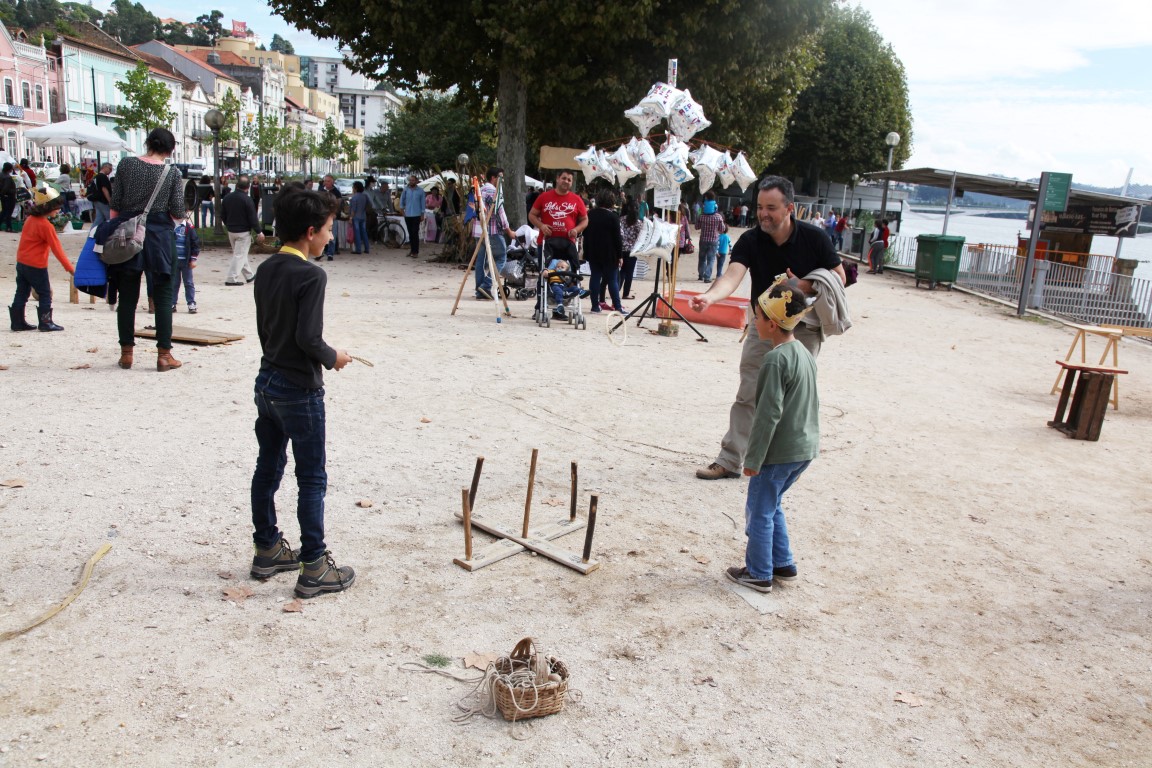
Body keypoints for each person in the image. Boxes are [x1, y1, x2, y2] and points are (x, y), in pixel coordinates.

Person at [688, 175, 844, 480]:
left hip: (803, 328)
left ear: (789, 208)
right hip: (763, 326)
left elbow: (841, 276)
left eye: (771, 208)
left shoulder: (814, 238)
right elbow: (732, 275)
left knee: (790, 398)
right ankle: (730, 459)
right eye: (760, 207)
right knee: (749, 392)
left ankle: (777, 464)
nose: (763, 214)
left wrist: (804, 285)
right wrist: (710, 297)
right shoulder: (751, 240)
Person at [249, 188, 356, 598]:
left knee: (268, 467)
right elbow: (308, 338)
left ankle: (267, 548)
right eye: (328, 229)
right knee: (311, 478)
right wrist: (334, 357)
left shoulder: (266, 268)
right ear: (311, 232)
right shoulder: (312, 275)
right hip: (298, 389)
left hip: (267, 382)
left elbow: (271, 329)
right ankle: (314, 566)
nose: (330, 236)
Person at [725, 276, 819, 593]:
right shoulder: (803, 352)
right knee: (773, 503)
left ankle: (759, 572)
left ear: (773, 324)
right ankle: (783, 563)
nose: (754, 321)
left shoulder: (775, 360)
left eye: (758, 316)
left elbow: (767, 415)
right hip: (803, 448)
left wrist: (753, 459)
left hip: (778, 452)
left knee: (759, 510)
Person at [107, 127, 187, 372]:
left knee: (127, 296)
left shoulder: (126, 165)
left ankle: (126, 354)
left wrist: (116, 230)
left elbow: (115, 204)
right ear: (170, 149)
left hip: (128, 231)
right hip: (159, 236)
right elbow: (178, 210)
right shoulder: (172, 173)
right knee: (163, 296)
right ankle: (164, 355)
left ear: (148, 143)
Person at [8, 185, 73, 332]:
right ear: (48, 207)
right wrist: (69, 268)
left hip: (22, 262)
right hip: (37, 265)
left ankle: (17, 322)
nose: (59, 210)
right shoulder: (46, 226)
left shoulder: (30, 219)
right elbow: (57, 249)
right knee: (44, 293)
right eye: (57, 207)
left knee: (21, 292)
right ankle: (45, 322)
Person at [528, 169, 588, 273]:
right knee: (544, 274)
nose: (566, 181)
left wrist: (576, 230)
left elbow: (585, 219)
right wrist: (541, 226)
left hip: (568, 244)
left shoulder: (577, 199)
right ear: (557, 179)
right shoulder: (544, 197)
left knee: (571, 274)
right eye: (564, 178)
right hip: (546, 243)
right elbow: (532, 215)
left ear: (572, 183)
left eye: (569, 180)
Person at [472, 167, 515, 301]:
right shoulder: (493, 191)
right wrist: (508, 230)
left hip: (479, 230)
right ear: (493, 178)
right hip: (492, 230)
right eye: (500, 177)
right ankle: (486, 285)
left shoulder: (480, 190)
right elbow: (500, 212)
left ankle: (480, 290)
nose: (502, 180)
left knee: (480, 261)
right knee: (501, 257)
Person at [583, 190, 625, 314]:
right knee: (612, 279)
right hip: (609, 252)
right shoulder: (613, 217)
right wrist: (620, 255)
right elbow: (617, 238)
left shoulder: (590, 214)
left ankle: (595, 306)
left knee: (595, 277)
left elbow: (585, 233)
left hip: (593, 251)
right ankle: (618, 306)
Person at [221, 175, 265, 285]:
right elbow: (252, 218)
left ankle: (249, 275)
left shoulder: (227, 198)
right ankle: (231, 278)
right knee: (239, 255)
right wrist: (259, 232)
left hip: (231, 231)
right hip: (243, 232)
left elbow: (223, 215)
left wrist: (228, 225)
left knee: (240, 254)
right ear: (248, 187)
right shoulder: (247, 200)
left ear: (236, 185)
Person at [695, 193, 728, 283]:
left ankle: (701, 275)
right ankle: (707, 277)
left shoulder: (702, 216)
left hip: (703, 240)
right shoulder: (718, 217)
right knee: (711, 259)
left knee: (702, 258)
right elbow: (722, 229)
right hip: (713, 240)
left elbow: (696, 227)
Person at [172, 217, 200, 314]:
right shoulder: (171, 226)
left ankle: (191, 302)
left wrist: (193, 259)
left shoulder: (189, 227)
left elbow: (195, 243)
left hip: (186, 260)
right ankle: (172, 303)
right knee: (174, 283)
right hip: (174, 261)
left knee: (188, 282)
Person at [618, 199, 643, 300]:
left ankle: (616, 289)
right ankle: (626, 293)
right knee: (629, 273)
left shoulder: (621, 219)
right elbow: (640, 237)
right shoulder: (638, 223)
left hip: (621, 248)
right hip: (632, 250)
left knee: (622, 270)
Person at [399, 174, 425, 258]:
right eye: (410, 180)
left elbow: (423, 203)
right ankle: (412, 250)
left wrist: (422, 214)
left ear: (416, 181)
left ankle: (415, 251)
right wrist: (402, 210)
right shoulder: (406, 190)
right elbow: (402, 200)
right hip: (408, 214)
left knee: (415, 232)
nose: (411, 182)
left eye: (413, 180)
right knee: (410, 233)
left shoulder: (420, 191)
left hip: (417, 214)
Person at [318, 175, 342, 259]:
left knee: (332, 235)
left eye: (328, 181)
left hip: (332, 216)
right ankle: (320, 252)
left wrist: (335, 213)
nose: (326, 183)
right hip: (323, 216)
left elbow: (339, 204)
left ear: (332, 182)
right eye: (325, 181)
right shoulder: (321, 190)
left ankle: (330, 253)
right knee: (321, 234)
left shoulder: (336, 192)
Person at [89, 163, 113, 230]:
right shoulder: (103, 177)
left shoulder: (96, 176)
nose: (110, 171)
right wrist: (109, 200)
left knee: (99, 219)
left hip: (97, 199)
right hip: (102, 200)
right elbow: (104, 189)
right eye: (110, 169)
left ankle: (92, 234)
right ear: (105, 167)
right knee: (109, 217)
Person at [348, 180, 370, 254]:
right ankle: (367, 248)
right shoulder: (365, 196)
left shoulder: (354, 198)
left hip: (356, 217)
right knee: (364, 232)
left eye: (353, 187)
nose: (352, 189)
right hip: (363, 216)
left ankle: (358, 249)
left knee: (357, 233)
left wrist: (350, 218)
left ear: (356, 188)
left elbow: (353, 210)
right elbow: (368, 205)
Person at [0, 163, 17, 232]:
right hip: (9, 196)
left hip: (4, 196)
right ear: (9, 169)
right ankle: (9, 227)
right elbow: (6, 188)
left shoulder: (1, 175)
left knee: (4, 211)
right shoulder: (7, 177)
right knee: (9, 212)